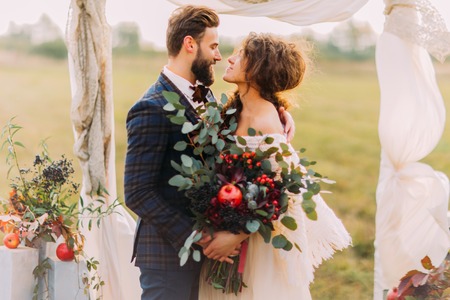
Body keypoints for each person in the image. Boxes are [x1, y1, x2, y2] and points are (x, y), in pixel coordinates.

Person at [124, 6, 295, 300]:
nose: (219, 55)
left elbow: (240, 129)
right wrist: (201, 237)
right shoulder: (150, 107)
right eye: (213, 46)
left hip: (209, 254)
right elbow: (137, 192)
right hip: (169, 255)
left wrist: (277, 113)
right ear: (190, 44)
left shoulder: (208, 96)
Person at [198, 32, 352, 299]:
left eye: (241, 55)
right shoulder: (233, 112)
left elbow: (285, 192)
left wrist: (235, 236)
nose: (230, 58)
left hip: (254, 245)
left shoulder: (267, 121)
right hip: (225, 233)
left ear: (259, 69)